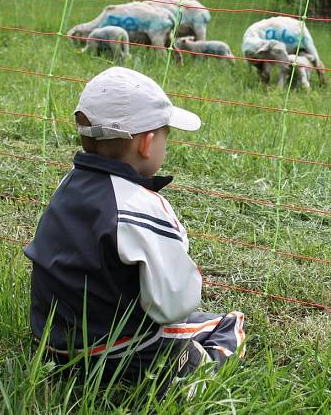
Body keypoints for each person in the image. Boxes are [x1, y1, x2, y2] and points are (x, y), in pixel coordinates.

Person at [24, 66, 244, 393]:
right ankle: (193, 380)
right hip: (114, 352)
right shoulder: (141, 205)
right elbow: (174, 304)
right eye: (166, 135)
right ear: (147, 143)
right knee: (230, 324)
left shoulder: (68, 183)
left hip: (52, 342)